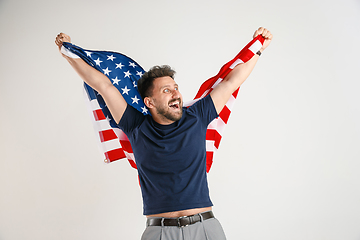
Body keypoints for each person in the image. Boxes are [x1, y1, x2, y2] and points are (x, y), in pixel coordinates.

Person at [55, 27, 272, 240]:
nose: (176, 93)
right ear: (149, 102)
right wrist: (68, 52)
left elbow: (232, 81)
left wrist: (259, 48)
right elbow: (104, 85)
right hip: (158, 232)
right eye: (166, 90)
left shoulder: (197, 116)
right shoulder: (135, 125)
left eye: (175, 87)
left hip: (205, 229)